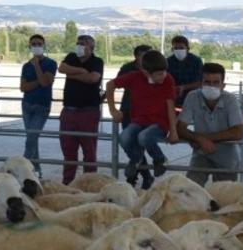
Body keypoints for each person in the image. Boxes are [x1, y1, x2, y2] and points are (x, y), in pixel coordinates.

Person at [106, 49, 179, 189]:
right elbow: (110, 85)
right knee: (124, 137)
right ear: (145, 72)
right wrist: (113, 110)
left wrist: (173, 130)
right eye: (158, 74)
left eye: (164, 72)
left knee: (144, 137)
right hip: (139, 120)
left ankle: (160, 159)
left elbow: (170, 105)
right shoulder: (134, 77)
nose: (162, 77)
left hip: (160, 123)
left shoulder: (168, 80)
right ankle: (137, 159)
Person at [177, 62, 243, 186]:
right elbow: (180, 128)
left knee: (223, 199)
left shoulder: (230, 100)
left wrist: (204, 139)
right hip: (201, 154)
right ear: (201, 83)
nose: (211, 86)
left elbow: (238, 132)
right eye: (207, 82)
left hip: (227, 158)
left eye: (216, 82)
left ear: (223, 85)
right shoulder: (192, 97)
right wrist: (200, 140)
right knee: (189, 189)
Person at [58, 34, 104, 185]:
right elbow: (62, 68)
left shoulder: (97, 61)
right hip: (69, 111)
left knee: (89, 152)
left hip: (88, 111)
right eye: (78, 43)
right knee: (68, 151)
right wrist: (81, 71)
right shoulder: (71, 56)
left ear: (91, 48)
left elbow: (93, 78)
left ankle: (89, 184)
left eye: (83, 44)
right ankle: (68, 183)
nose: (79, 46)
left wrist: (72, 75)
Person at [18, 33, 57, 175]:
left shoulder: (51, 63)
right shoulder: (26, 66)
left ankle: (22, 168)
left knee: (31, 138)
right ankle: (36, 169)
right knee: (31, 138)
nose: (36, 46)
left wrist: (36, 67)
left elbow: (46, 82)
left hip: (42, 106)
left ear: (44, 46)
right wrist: (38, 82)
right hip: (27, 105)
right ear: (29, 46)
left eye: (39, 44)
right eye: (33, 44)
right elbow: (23, 87)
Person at [117, 44, 153, 128]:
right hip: (128, 108)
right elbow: (116, 83)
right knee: (127, 137)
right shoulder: (127, 68)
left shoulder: (154, 68)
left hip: (148, 111)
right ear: (137, 56)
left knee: (144, 138)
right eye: (145, 56)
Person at [167, 35, 204, 106]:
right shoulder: (168, 62)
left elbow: (201, 82)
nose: (178, 50)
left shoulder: (196, 61)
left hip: (194, 99)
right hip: (174, 99)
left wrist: (184, 87)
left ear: (187, 49)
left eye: (181, 48)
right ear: (172, 49)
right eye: (175, 48)